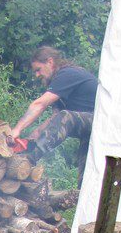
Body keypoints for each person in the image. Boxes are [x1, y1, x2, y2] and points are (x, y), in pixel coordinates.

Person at [9, 46, 98, 184]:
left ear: (50, 62)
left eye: (38, 70)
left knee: (65, 117)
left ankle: (30, 159)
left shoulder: (67, 74)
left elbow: (40, 105)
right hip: (92, 128)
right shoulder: (61, 85)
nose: (37, 75)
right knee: (86, 180)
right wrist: (30, 139)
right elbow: (53, 120)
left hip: (104, 121)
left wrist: (16, 130)